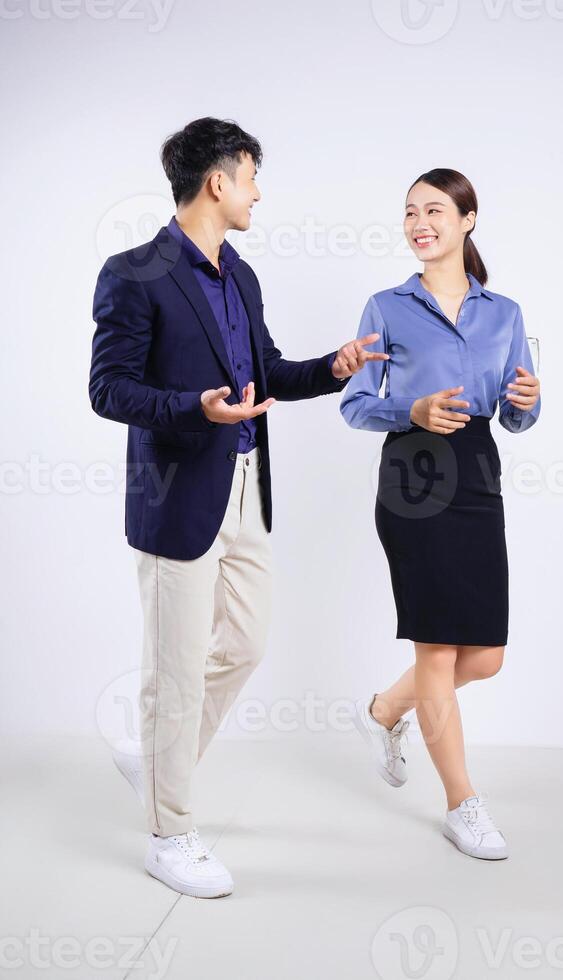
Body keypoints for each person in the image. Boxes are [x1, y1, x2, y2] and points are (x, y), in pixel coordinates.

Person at [89, 117, 385, 898]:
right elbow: (107, 388)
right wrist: (195, 406)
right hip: (179, 495)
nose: (258, 191)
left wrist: (336, 366)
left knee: (245, 645)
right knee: (175, 672)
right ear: (217, 181)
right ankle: (169, 831)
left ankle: (154, 760)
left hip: (248, 490)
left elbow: (270, 373)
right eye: (251, 175)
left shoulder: (240, 276)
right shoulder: (135, 272)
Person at [340, 168, 541, 860]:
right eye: (409, 212)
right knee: (436, 648)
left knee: (484, 656)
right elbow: (355, 404)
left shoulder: (504, 313)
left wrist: (526, 399)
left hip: (478, 469)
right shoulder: (385, 307)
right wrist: (413, 409)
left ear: (468, 219)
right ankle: (462, 803)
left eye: (433, 210)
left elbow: (517, 415)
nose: (419, 222)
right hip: (413, 473)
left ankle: (383, 711)